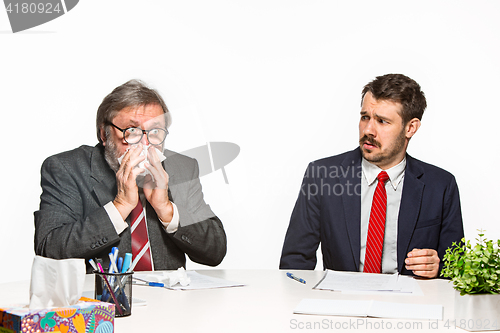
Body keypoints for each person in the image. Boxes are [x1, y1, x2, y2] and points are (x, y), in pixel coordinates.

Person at [279, 74, 464, 278]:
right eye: (365, 117)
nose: (368, 130)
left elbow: (457, 269)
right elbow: (294, 262)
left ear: (410, 128)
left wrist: (439, 268)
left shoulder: (441, 186)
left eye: (382, 121)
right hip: (341, 302)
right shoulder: (322, 176)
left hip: (409, 305)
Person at [34, 79, 227, 272]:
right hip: (103, 299)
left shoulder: (182, 167)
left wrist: (166, 209)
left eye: (155, 132)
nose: (145, 144)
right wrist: (120, 206)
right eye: (132, 131)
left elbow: (215, 252)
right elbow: (48, 249)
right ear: (104, 134)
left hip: (169, 299)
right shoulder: (67, 168)